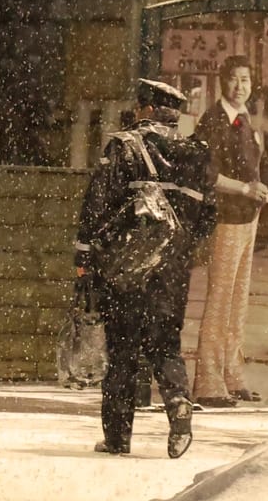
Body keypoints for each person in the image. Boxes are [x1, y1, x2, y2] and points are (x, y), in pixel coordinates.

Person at [73, 77, 213, 458]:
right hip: (172, 267)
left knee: (122, 349)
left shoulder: (124, 146)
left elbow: (96, 205)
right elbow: (207, 214)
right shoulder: (195, 151)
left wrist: (84, 259)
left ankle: (118, 437)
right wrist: (179, 249)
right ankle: (179, 406)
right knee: (165, 342)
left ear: (148, 109)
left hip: (126, 266)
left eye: (139, 107)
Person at [193, 55, 268, 404]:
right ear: (222, 82)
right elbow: (206, 175)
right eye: (234, 80)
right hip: (224, 218)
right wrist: (243, 188)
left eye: (246, 80)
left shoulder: (244, 119)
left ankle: (232, 374)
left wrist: (260, 188)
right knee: (220, 299)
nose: (241, 87)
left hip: (247, 217)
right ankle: (208, 382)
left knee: (238, 301)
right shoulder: (213, 121)